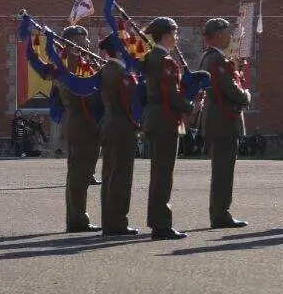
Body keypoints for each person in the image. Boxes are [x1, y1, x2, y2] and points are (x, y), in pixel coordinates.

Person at [141, 17, 194, 240]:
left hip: (153, 117)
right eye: (175, 33)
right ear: (165, 36)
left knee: (158, 173)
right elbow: (172, 95)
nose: (177, 37)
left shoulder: (150, 57)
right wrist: (189, 105)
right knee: (163, 174)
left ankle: (157, 221)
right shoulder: (166, 61)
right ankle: (161, 225)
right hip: (164, 119)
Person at [199, 17, 251, 229]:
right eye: (228, 33)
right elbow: (230, 89)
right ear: (218, 35)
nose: (231, 37)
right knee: (223, 171)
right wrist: (246, 95)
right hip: (223, 120)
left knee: (222, 170)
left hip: (220, 119)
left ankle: (220, 212)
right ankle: (220, 214)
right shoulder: (216, 60)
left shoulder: (211, 57)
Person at [57, 25, 101, 233]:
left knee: (82, 173)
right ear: (75, 41)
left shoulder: (75, 62)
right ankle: (77, 219)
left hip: (83, 122)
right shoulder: (71, 64)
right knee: (79, 174)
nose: (89, 44)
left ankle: (77, 217)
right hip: (81, 121)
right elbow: (81, 93)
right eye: (85, 39)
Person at [97, 35, 139, 236]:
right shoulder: (121, 73)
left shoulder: (107, 69)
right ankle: (117, 222)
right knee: (120, 176)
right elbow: (131, 102)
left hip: (109, 124)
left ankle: (109, 221)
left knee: (110, 175)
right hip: (122, 126)